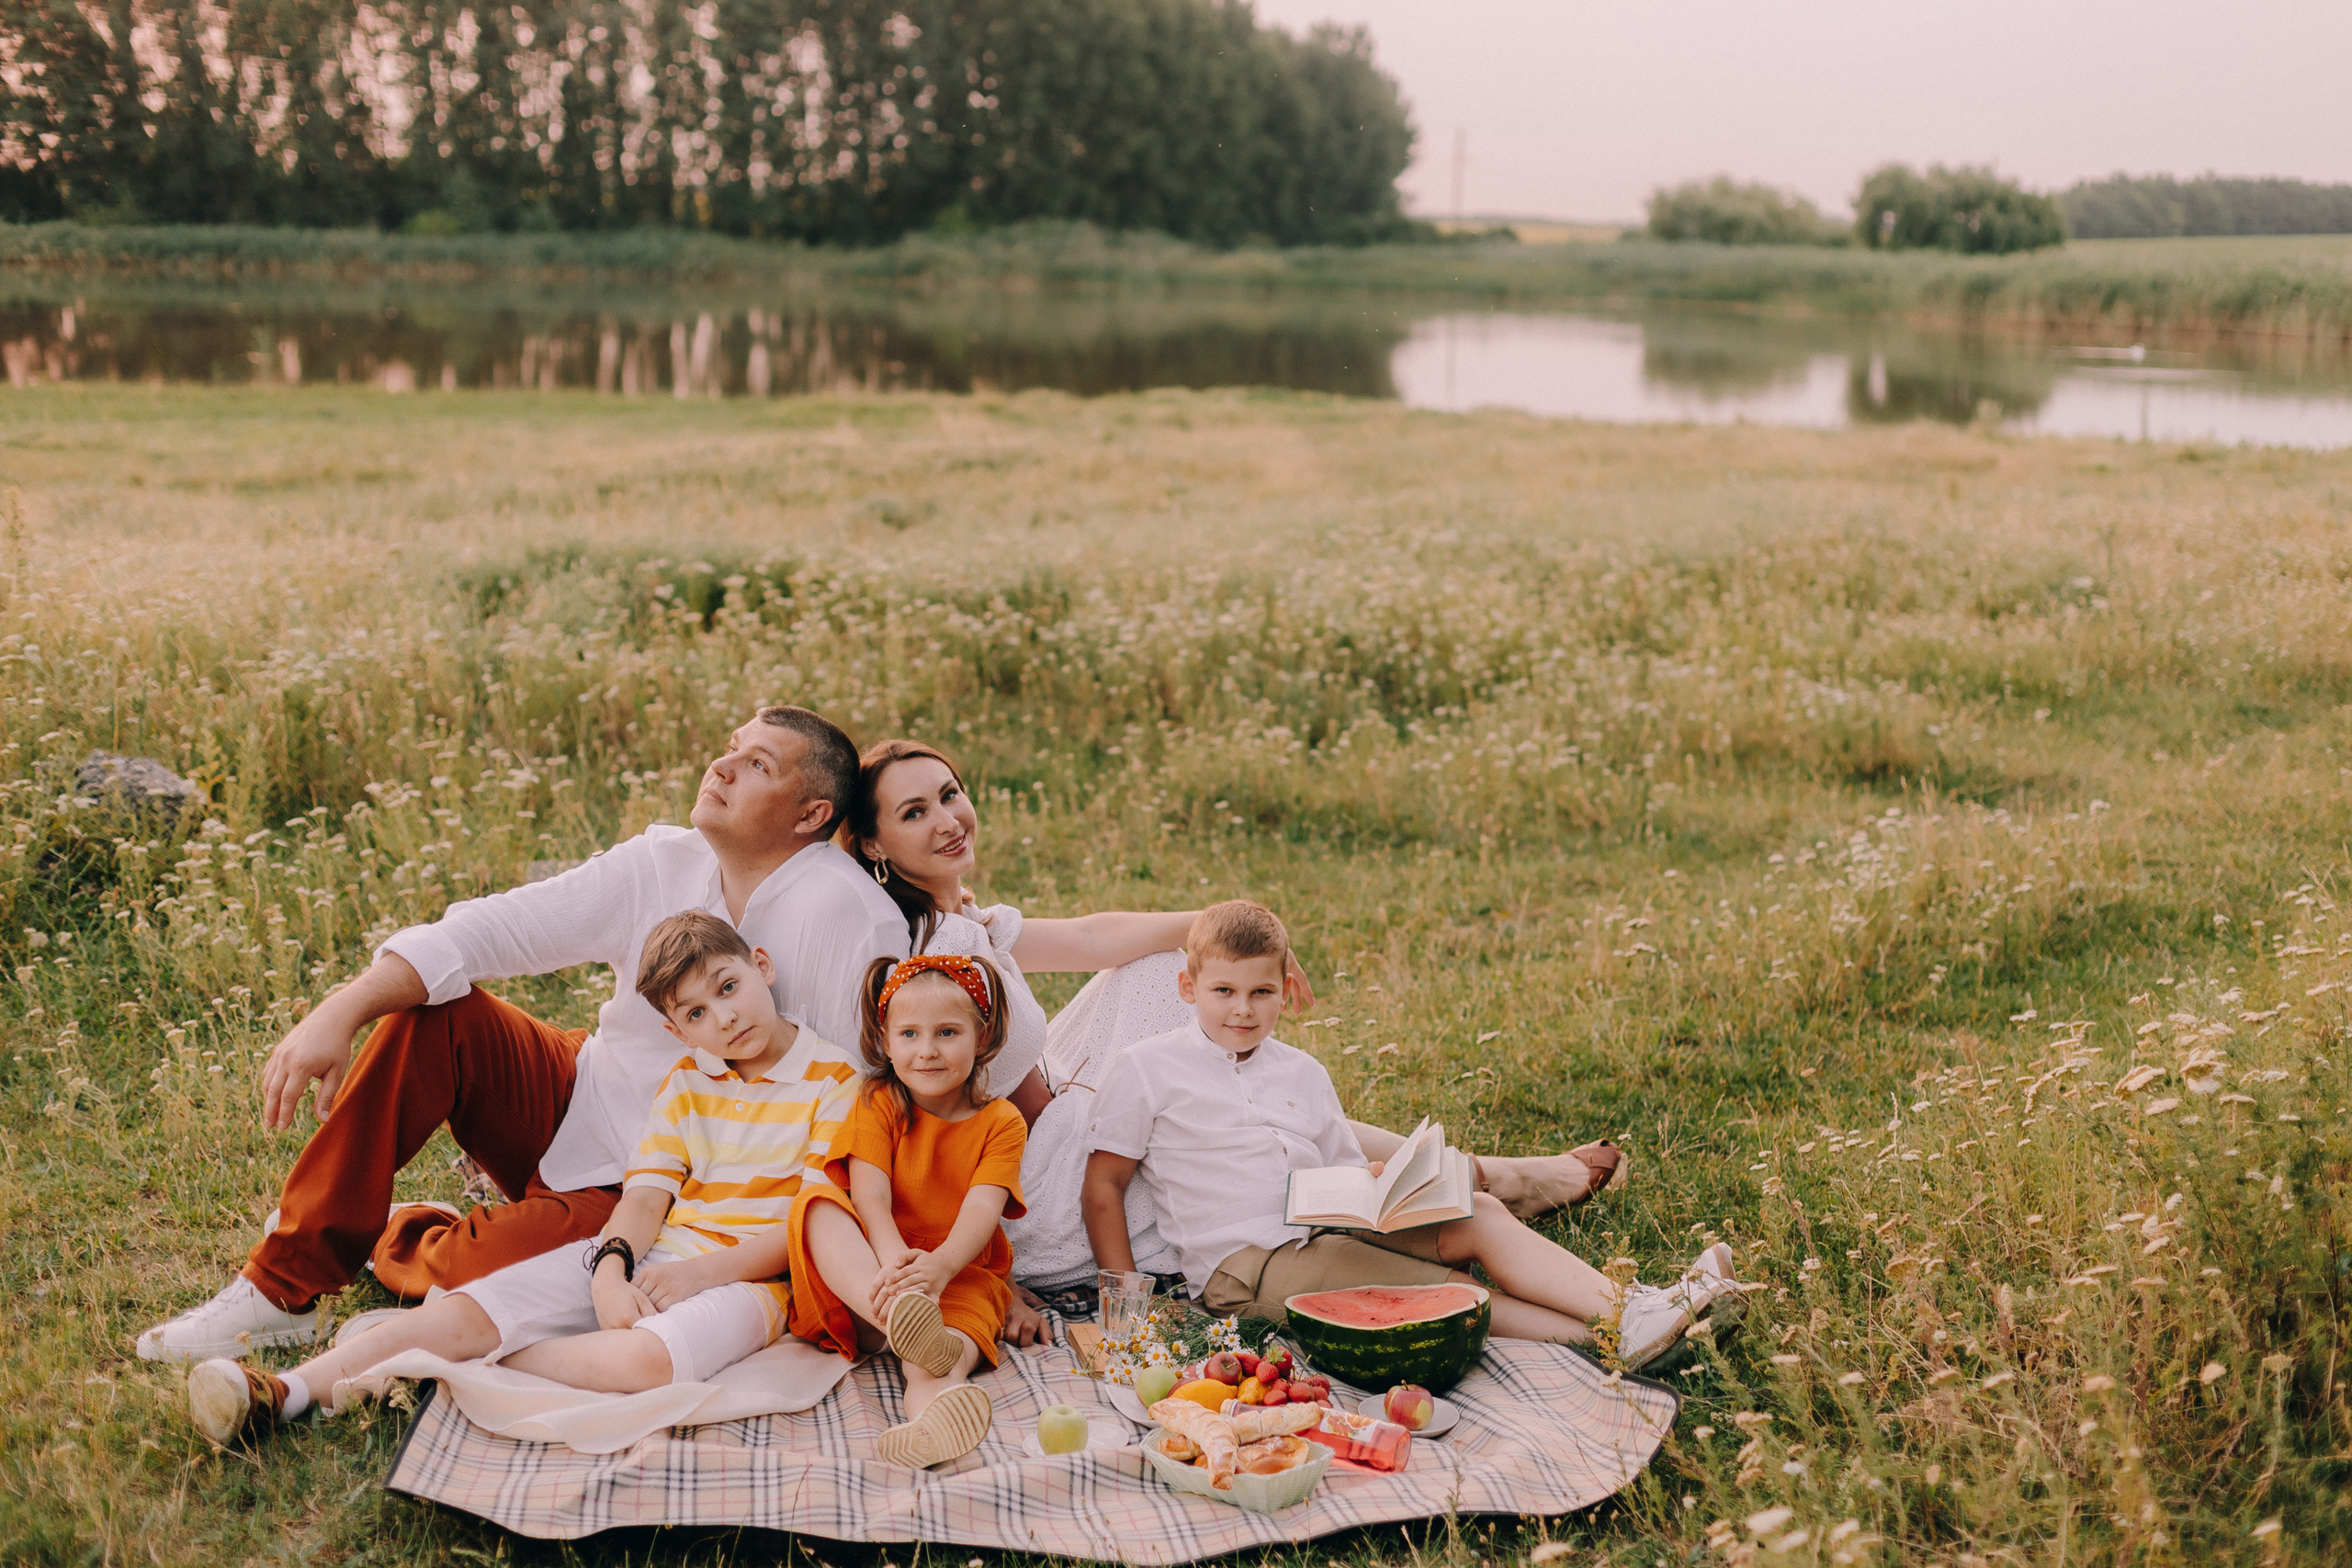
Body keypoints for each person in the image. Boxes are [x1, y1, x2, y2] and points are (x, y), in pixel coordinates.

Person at [139, 706, 909, 1364]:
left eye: (756, 763)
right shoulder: (661, 859)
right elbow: (498, 925)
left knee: (464, 1277)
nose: (723, 764)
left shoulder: (844, 917)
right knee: (439, 1013)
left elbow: (865, 1110)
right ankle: (282, 1284)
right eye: (731, 746)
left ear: (810, 814)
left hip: (659, 1193)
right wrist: (342, 1007)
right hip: (581, 1086)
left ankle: (405, 1231)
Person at [833, 739, 1629, 1314]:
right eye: (914, 811)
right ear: (873, 843)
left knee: (1161, 979)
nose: (948, 818)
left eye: (949, 792)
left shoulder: (961, 916)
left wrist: (1233, 925)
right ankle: (1486, 1179)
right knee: (1201, 1078)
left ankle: (1467, 1177)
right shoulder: (934, 958)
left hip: (1058, 1118)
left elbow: (1088, 937)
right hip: (1037, 1184)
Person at [185, 912, 860, 1444]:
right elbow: (648, 1194)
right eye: (696, 1013)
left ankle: (443, 1359)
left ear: (761, 966)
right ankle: (279, 1392)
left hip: (749, 1282)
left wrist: (697, 1276)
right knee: (465, 1310)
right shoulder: (688, 1081)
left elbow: (806, 1222)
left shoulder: (835, 1081)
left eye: (729, 987)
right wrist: (610, 1264)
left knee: (644, 1364)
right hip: (658, 1251)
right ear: (677, 1030)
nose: (725, 1017)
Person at [1081, 901, 1741, 1371]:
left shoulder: (1302, 1071)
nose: (1242, 1009)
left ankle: (1637, 1312)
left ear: (1286, 991)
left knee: (1477, 1210)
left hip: (1324, 1221)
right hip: (1247, 1262)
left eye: (1260, 992)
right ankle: (1616, 1334)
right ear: (1187, 986)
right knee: (1439, 1286)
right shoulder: (1147, 1068)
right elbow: (1104, 1186)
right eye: (1222, 990)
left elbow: (1341, 1164)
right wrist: (1126, 1303)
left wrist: (1384, 1185)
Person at [786, 953, 1026, 1469]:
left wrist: (938, 1270)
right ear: (887, 1040)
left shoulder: (1001, 1121)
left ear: (981, 1038)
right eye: (911, 1034)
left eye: (947, 1033)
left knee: (936, 1362)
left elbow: (983, 1208)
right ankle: (901, 1322)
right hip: (875, 1277)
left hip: (958, 1275)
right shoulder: (879, 1101)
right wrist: (899, 1272)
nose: (927, 1051)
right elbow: (868, 1197)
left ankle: (931, 1431)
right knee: (817, 1206)